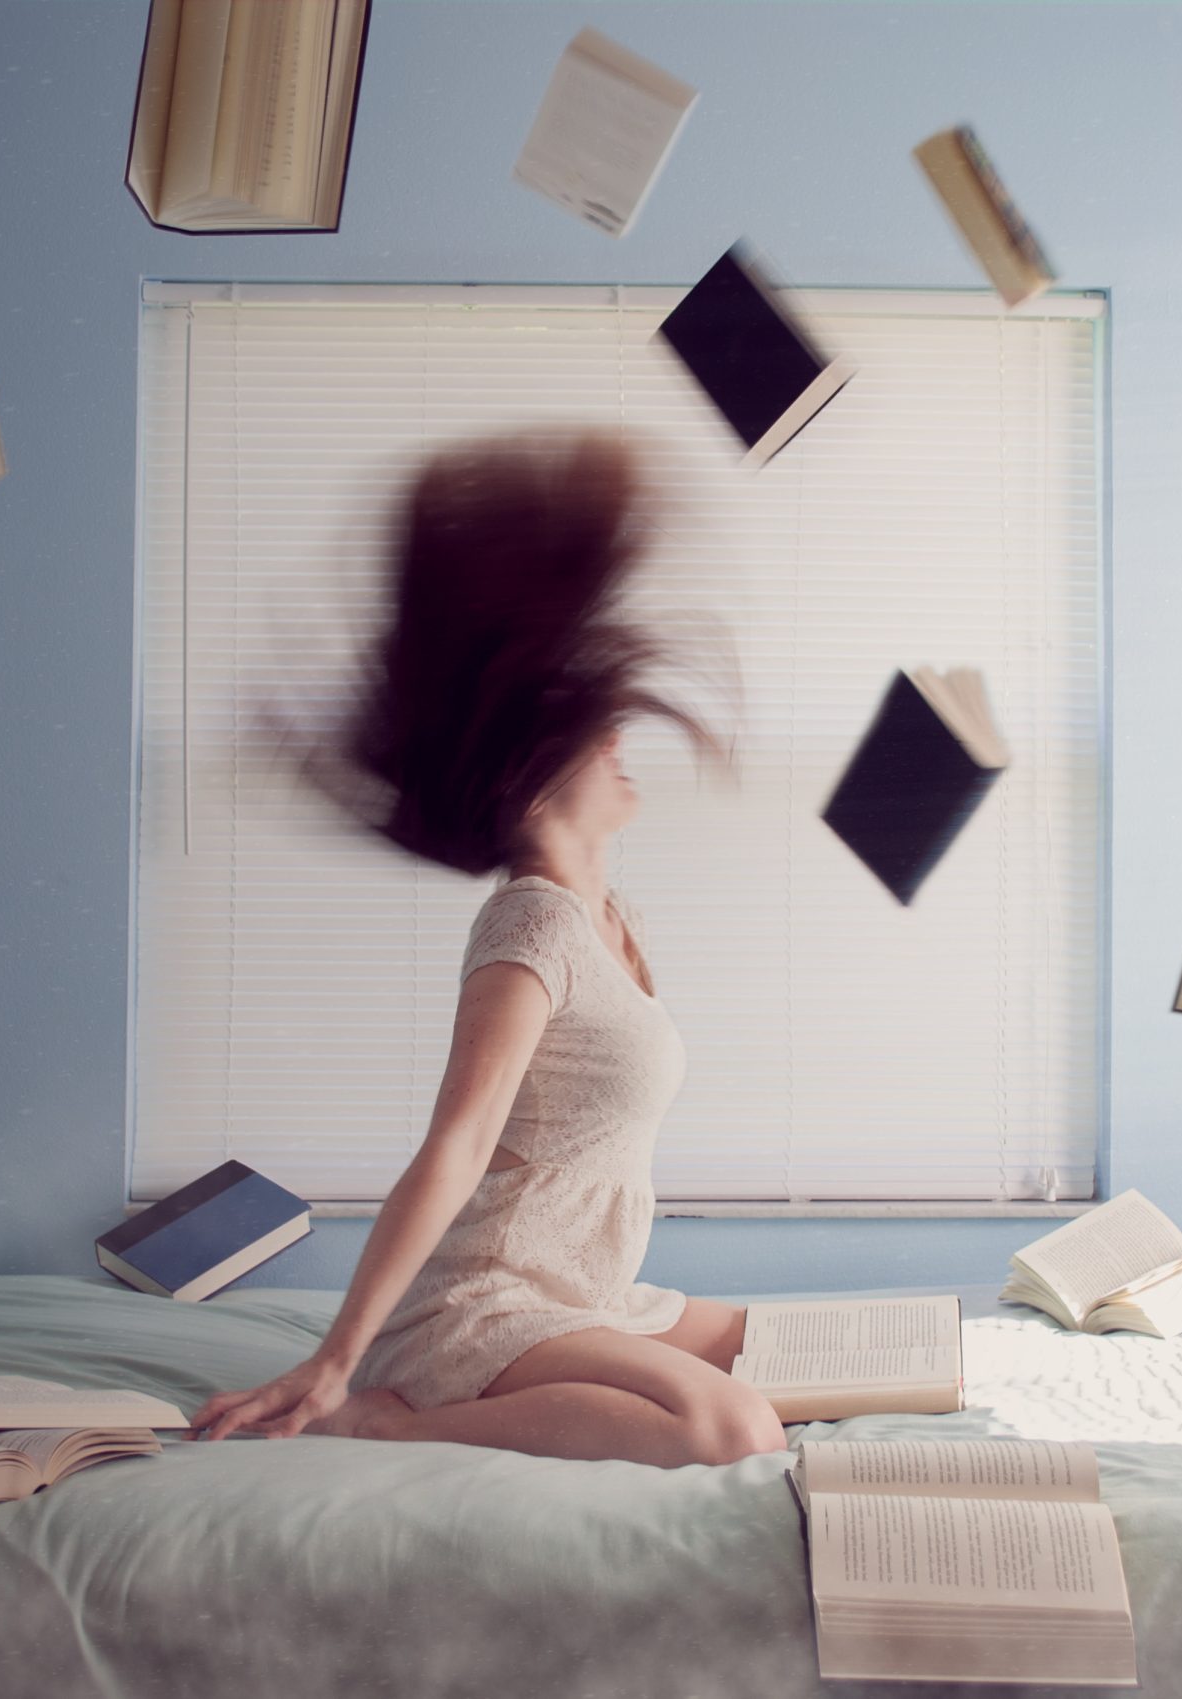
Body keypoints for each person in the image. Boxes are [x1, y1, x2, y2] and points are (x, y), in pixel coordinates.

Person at [189, 430, 785, 1469]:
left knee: (794, 1351)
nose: (618, 742)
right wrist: (337, 1358)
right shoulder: (531, 928)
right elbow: (455, 1146)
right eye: (596, 735)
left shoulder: (613, 916)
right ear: (532, 772)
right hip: (488, 1299)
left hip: (582, 1292)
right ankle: (388, 1415)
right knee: (730, 1428)